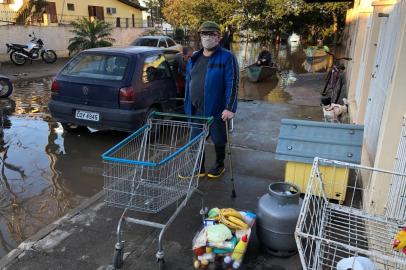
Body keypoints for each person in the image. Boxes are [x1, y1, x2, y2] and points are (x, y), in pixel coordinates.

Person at [184, 21, 239, 179]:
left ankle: (219, 164)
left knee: (219, 140)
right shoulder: (194, 58)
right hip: (196, 109)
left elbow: (233, 83)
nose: (208, 37)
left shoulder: (227, 57)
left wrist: (230, 107)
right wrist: (187, 105)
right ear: (200, 36)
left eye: (212, 34)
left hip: (217, 110)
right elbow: (190, 81)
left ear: (219, 37)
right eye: (204, 34)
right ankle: (198, 168)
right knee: (195, 142)